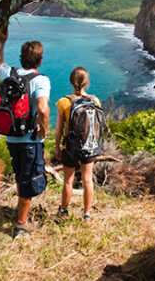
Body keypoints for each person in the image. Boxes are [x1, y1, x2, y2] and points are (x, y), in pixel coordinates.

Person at [0, 29, 50, 239]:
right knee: (29, 180)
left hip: (10, 136)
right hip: (29, 140)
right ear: (40, 60)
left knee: (20, 175)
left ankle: (20, 211)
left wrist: (1, 40)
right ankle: (20, 225)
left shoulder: (10, 73)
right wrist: (44, 131)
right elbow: (43, 109)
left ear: (21, 58)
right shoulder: (40, 80)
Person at [55, 66, 102, 221]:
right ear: (87, 83)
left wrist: (57, 147)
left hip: (71, 147)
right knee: (87, 179)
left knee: (68, 179)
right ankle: (87, 214)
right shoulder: (95, 101)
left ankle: (63, 211)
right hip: (89, 145)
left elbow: (59, 129)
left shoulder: (64, 102)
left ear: (70, 82)